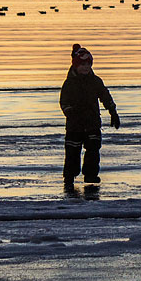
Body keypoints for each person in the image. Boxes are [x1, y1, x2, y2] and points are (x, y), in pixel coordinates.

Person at [59, 44, 120, 190]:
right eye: (82, 64)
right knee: (73, 151)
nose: (85, 67)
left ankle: (91, 176)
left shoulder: (96, 81)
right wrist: (71, 113)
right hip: (75, 125)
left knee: (93, 150)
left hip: (92, 122)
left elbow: (105, 96)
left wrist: (113, 112)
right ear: (76, 65)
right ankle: (69, 176)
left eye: (88, 64)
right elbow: (64, 102)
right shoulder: (69, 83)